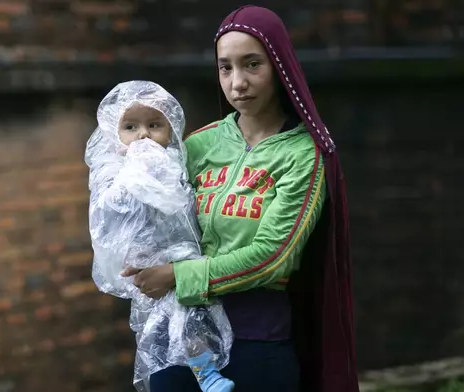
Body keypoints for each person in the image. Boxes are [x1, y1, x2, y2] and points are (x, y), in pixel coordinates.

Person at [122, 5, 359, 392]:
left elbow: (273, 255)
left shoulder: (304, 155)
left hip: (256, 343)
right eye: (225, 67)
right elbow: (158, 217)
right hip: (182, 342)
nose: (237, 83)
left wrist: (177, 276)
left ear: (279, 67)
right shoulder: (198, 144)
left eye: (252, 65)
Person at [85, 80, 235, 392]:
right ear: (115, 133)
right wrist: (134, 177)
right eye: (130, 127)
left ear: (171, 128)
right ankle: (204, 375)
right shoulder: (114, 170)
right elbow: (109, 213)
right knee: (166, 321)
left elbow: (183, 204)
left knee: (190, 314)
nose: (143, 135)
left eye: (154, 125)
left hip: (181, 256)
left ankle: (206, 373)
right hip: (145, 261)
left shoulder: (178, 162)